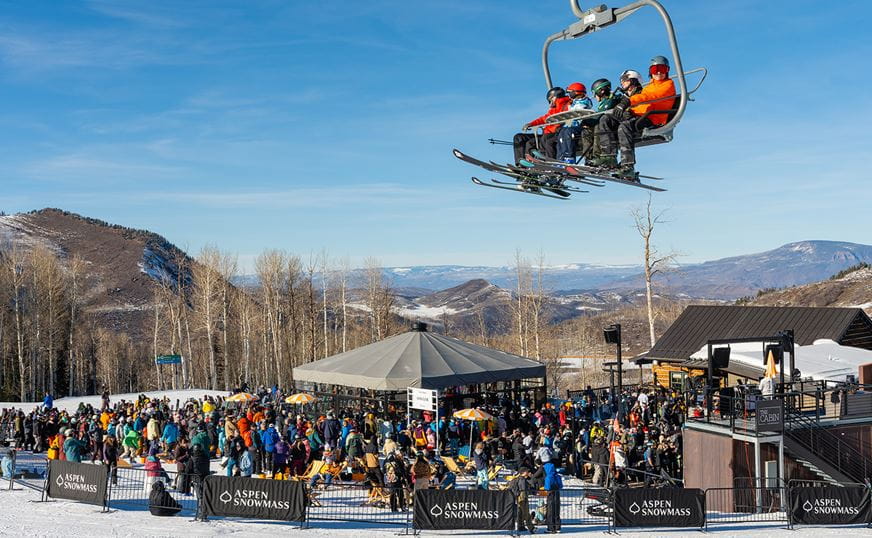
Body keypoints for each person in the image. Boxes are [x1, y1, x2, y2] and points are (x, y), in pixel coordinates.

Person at [590, 56, 676, 179]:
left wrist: (628, 102)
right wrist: (629, 111)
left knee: (625, 126)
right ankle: (609, 157)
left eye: (662, 69)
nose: (658, 72)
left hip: (653, 118)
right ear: (650, 72)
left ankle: (628, 166)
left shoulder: (668, 85)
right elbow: (643, 102)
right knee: (606, 119)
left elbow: (650, 97)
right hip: (641, 115)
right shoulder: (650, 86)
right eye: (654, 69)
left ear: (667, 70)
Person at [556, 78, 620, 164]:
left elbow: (598, 116)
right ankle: (586, 158)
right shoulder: (604, 102)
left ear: (601, 91)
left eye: (594, 93)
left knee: (572, 132)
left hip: (609, 125)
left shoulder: (611, 100)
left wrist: (585, 122)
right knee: (574, 132)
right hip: (599, 124)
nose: (594, 96)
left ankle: (573, 157)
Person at [513, 87, 572, 164]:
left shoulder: (567, 105)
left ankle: (549, 162)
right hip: (547, 134)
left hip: (556, 134)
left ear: (554, 97)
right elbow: (544, 119)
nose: (550, 103)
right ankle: (521, 164)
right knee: (519, 137)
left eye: (550, 100)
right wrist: (531, 124)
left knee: (532, 142)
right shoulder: (553, 109)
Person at [510, 467, 535, 534]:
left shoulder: (519, 479)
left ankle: (520, 526)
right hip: (523, 497)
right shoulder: (523, 480)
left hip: (519, 497)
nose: (528, 472)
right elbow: (524, 489)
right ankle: (531, 527)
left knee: (520, 512)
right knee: (526, 513)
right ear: (523, 473)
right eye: (527, 471)